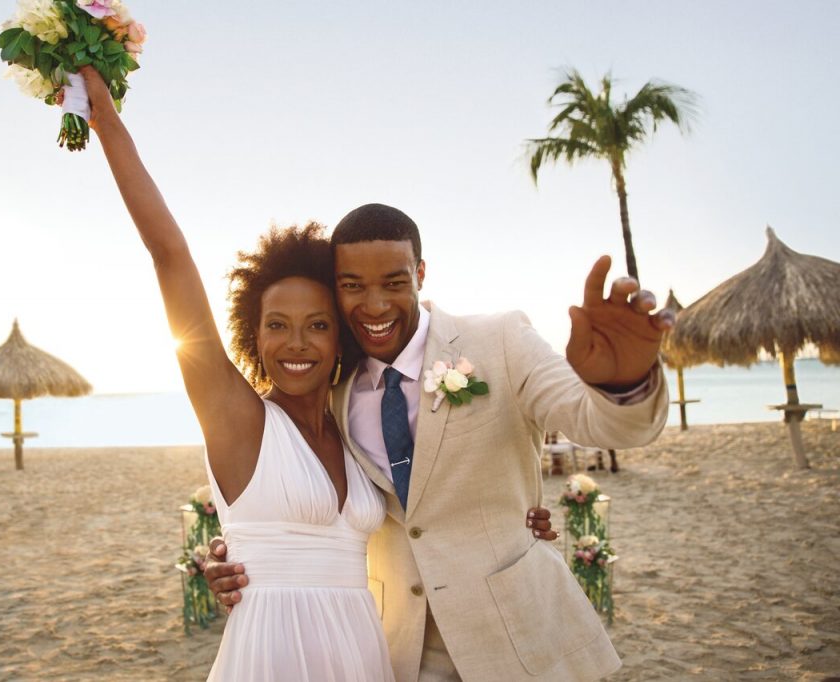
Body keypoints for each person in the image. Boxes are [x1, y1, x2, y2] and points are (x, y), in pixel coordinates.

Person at [206, 203, 673, 681]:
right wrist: (244, 552)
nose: (375, 305)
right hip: (400, 650)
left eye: (393, 282)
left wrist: (624, 384)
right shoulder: (335, 391)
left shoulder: (502, 340)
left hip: (522, 640)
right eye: (352, 286)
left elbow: (603, 424)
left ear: (420, 273)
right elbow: (303, 486)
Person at [79, 66, 393, 680]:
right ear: (254, 335)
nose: (295, 344)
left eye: (318, 325)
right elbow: (169, 253)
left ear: (341, 340)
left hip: (362, 653)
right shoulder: (238, 417)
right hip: (271, 657)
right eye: (277, 325)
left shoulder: (354, 427)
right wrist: (107, 122)